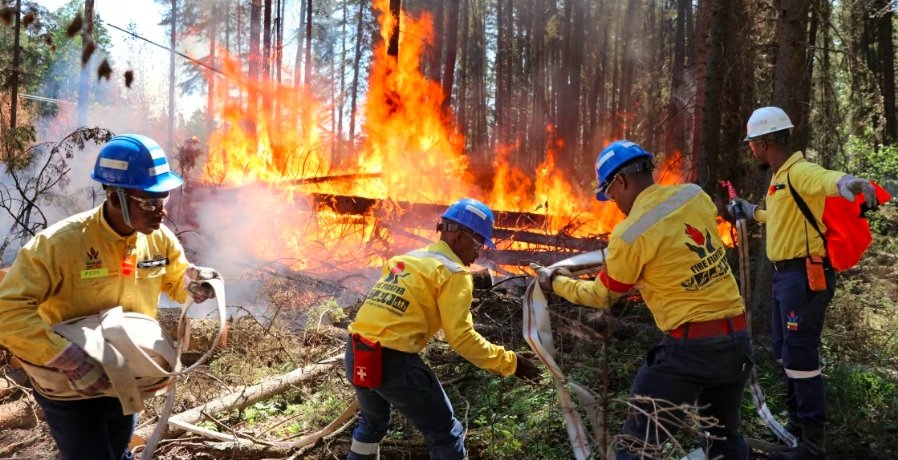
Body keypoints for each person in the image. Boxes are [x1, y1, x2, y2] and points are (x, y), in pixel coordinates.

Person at [0, 134, 220, 460]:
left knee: (117, 452)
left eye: (164, 200)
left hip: (123, 375)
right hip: (69, 383)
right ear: (115, 197)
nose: (161, 212)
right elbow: (7, 310)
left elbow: (175, 279)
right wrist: (63, 356)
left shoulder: (159, 240)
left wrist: (191, 285)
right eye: (149, 203)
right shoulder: (59, 245)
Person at [537, 140, 753, 459]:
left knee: (637, 446)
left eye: (610, 195)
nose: (614, 203)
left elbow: (601, 295)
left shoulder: (631, 233)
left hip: (690, 351)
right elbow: (677, 248)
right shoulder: (694, 195)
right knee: (723, 439)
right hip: (737, 343)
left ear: (621, 182)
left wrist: (556, 283)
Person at [730, 106, 880, 460]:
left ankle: (812, 446)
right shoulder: (780, 176)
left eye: (753, 142)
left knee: (801, 357)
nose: (751, 148)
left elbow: (827, 178)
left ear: (765, 142)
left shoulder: (800, 171)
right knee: (786, 353)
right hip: (786, 278)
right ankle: (797, 429)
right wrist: (751, 211)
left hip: (804, 278)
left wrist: (848, 183)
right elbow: (780, 216)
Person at [344, 198, 541, 460]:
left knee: (372, 425)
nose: (479, 252)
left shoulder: (406, 259)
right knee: (446, 433)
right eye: (479, 242)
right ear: (460, 236)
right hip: (393, 364)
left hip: (356, 352)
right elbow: (461, 338)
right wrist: (510, 363)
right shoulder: (454, 273)